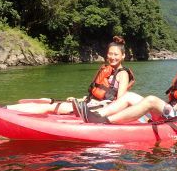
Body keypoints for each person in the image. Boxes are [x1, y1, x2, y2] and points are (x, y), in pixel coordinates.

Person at [79, 35, 177, 124]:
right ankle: (98, 114)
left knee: (151, 100)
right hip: (174, 112)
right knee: (129, 96)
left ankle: (105, 121)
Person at [7, 36, 135, 114]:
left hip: (98, 110)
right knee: (49, 103)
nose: (112, 57)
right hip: (90, 104)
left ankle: (6, 110)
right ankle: (6, 109)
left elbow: (120, 101)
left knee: (50, 108)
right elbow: (97, 95)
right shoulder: (107, 70)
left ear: (123, 56)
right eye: (110, 54)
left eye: (116, 54)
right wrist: (80, 100)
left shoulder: (122, 74)